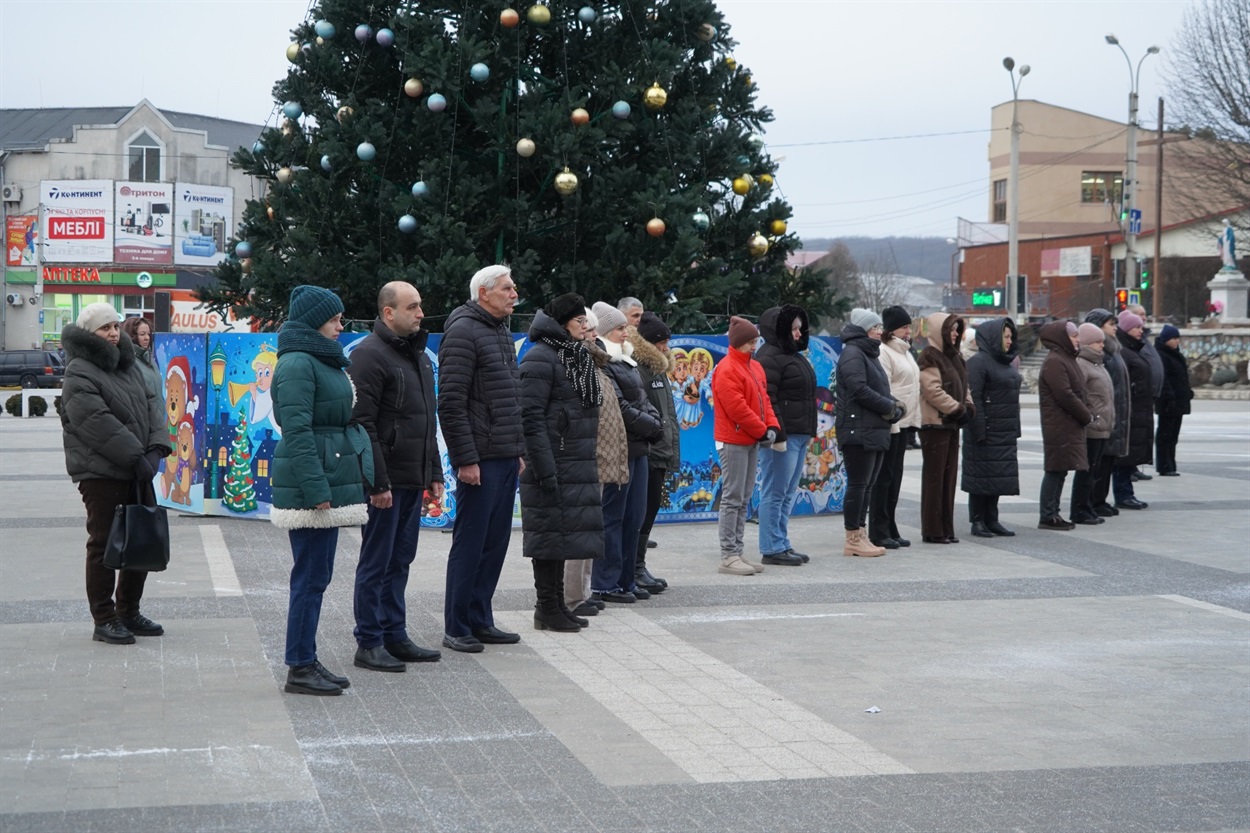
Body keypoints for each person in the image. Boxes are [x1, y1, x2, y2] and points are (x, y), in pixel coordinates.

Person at [270, 285, 372, 696]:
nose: (340, 325)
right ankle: (299, 665)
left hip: (326, 477)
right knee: (310, 578)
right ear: (315, 321)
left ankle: (305, 659)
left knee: (317, 576)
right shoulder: (298, 363)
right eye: (334, 318)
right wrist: (315, 488)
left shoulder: (319, 359)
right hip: (312, 485)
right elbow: (295, 431)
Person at [345, 281, 443, 673]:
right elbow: (361, 424)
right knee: (376, 561)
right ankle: (369, 641)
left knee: (400, 558)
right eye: (413, 307)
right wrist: (378, 483)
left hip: (412, 476)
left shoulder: (416, 355)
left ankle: (394, 633)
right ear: (389, 312)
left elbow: (426, 420)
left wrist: (433, 471)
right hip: (386, 483)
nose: (421, 314)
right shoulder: (370, 355)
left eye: (420, 306)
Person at [61, 303, 170, 645]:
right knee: (104, 544)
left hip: (139, 468)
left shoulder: (128, 366)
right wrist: (137, 457)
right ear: (88, 334)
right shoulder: (79, 370)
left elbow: (153, 406)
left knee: (141, 537)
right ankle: (104, 618)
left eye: (114, 326)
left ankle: (129, 611)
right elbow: (96, 423)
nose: (111, 333)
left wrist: (155, 450)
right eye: (103, 328)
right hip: (101, 472)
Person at [437, 265, 525, 652]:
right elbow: (452, 402)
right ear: (483, 293)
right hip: (480, 459)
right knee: (471, 542)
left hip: (505, 455)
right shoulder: (463, 331)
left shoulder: (500, 331)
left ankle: (480, 618)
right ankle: (457, 625)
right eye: (507, 288)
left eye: (514, 288)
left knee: (495, 543)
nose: (514, 294)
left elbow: (512, 398)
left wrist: (517, 449)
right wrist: (466, 459)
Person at [519, 293, 604, 632]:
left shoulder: (570, 355)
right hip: (552, 461)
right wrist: (543, 467)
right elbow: (529, 418)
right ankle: (546, 608)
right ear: (562, 323)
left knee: (562, 536)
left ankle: (556, 606)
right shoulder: (541, 357)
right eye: (580, 320)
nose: (585, 326)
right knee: (548, 537)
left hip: (572, 459)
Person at [590, 301, 662, 600]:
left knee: (635, 516)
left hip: (638, 448)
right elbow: (617, 407)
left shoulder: (627, 362)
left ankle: (627, 579)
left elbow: (643, 401)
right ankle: (605, 583)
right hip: (618, 450)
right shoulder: (603, 362)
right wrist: (651, 424)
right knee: (613, 518)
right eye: (620, 328)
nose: (626, 333)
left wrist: (652, 421)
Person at [564, 307, 626, 618]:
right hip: (584, 459)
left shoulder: (593, 362)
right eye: (585, 329)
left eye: (592, 329)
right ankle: (572, 596)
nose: (591, 334)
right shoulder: (573, 363)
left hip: (597, 458)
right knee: (579, 529)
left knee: (589, 528)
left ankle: (582, 592)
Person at [713, 316, 781, 573]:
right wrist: (762, 431)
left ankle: (738, 552)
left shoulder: (755, 367)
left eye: (756, 341)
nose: (754, 346)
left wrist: (772, 426)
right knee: (732, 498)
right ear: (738, 342)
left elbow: (764, 400)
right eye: (750, 342)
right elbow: (737, 408)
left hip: (751, 438)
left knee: (744, 498)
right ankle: (728, 555)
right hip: (734, 440)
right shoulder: (727, 368)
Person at [835, 309, 901, 557]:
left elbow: (879, 388)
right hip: (857, 429)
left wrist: (894, 404)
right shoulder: (853, 353)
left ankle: (861, 532)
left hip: (873, 428)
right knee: (858, 484)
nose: (880, 331)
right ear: (865, 329)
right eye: (875, 327)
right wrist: (888, 406)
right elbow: (858, 390)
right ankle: (852, 536)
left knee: (868, 484)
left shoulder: (869, 353)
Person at [754, 304, 816, 566]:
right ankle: (771, 547)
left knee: (788, 492)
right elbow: (768, 398)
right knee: (775, 491)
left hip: (799, 434)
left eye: (801, 329)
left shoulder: (793, 355)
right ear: (780, 330)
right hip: (783, 437)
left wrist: (809, 430)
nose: (799, 334)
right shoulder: (768, 356)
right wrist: (777, 433)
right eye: (793, 329)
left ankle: (782, 542)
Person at [629, 311, 680, 590]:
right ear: (650, 342)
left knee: (649, 512)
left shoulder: (658, 367)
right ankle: (634, 568)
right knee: (641, 513)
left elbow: (668, 414)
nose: (667, 347)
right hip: (648, 451)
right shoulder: (641, 367)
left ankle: (638, 566)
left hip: (659, 451)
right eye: (663, 342)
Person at [960, 317, 1022, 538]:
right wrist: (978, 429)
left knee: (996, 477)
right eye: (1005, 336)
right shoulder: (978, 362)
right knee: (980, 477)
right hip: (985, 430)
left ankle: (992, 519)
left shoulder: (1005, 362)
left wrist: (1015, 428)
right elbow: (973, 398)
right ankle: (977, 520)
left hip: (1003, 430)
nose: (1009, 340)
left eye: (1010, 336)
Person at [917, 312, 973, 544]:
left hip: (951, 425)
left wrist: (968, 405)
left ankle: (946, 527)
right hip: (935, 424)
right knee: (934, 479)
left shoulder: (955, 357)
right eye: (950, 329)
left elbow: (964, 385)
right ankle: (933, 529)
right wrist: (957, 409)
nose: (954, 334)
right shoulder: (929, 356)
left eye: (956, 330)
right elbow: (932, 390)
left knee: (948, 478)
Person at [870, 305, 920, 548]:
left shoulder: (907, 353)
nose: (908, 331)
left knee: (896, 477)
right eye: (903, 327)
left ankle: (890, 525)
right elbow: (885, 387)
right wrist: (894, 415)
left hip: (905, 422)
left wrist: (914, 419)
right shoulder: (884, 352)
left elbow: (914, 388)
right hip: (891, 422)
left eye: (909, 326)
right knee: (884, 477)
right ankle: (878, 529)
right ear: (891, 330)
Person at [1036, 321, 1093, 530]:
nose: (1078, 339)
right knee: (1055, 469)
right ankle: (1048, 515)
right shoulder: (1055, 361)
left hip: (1066, 423)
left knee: (1060, 470)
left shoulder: (1066, 359)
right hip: (1059, 425)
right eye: (1074, 335)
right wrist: (1086, 415)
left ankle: (1053, 513)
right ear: (1061, 337)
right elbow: (1065, 395)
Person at [1085, 309, 1129, 517]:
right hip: (1102, 415)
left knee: (1107, 460)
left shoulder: (1113, 351)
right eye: (1111, 324)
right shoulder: (1100, 354)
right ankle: (1093, 500)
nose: (1115, 328)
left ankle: (1100, 499)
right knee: (1099, 463)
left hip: (1113, 414)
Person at [1071, 323, 1114, 524]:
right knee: (1085, 472)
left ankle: (1088, 507)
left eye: (1102, 342)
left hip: (1102, 427)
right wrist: (1092, 417)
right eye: (1098, 342)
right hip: (1091, 428)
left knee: (1094, 471)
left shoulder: (1098, 364)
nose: (1101, 345)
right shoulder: (1081, 364)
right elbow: (1080, 396)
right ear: (1087, 343)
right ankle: (1079, 509)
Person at [1112, 311, 1154, 510]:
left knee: (1130, 455)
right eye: (1137, 327)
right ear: (1127, 329)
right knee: (1124, 457)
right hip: (1130, 410)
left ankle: (1126, 492)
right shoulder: (1124, 351)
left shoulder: (1133, 349)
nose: (1141, 330)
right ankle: (1123, 494)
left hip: (1139, 409)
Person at [1127, 304, 1162, 481]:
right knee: (1134, 435)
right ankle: (1128, 469)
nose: (1144, 318)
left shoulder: (1143, 339)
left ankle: (1133, 466)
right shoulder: (1128, 345)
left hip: (1147, 396)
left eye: (1145, 315)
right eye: (1140, 316)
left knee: (1140, 436)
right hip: (1136, 397)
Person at [1154, 324, 1193, 476]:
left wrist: (1187, 392)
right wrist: (1169, 397)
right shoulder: (1162, 355)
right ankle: (1164, 466)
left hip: (1178, 401)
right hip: (1168, 402)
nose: (1177, 341)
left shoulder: (1175, 354)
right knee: (1165, 434)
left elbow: (1181, 377)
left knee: (1173, 435)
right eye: (1173, 338)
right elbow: (1164, 379)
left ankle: (1170, 465)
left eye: (1178, 338)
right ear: (1165, 339)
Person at [121, 316, 160, 398]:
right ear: (131, 336)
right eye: (142, 334)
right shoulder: (127, 362)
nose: (147, 338)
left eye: (148, 334)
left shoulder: (149, 359)